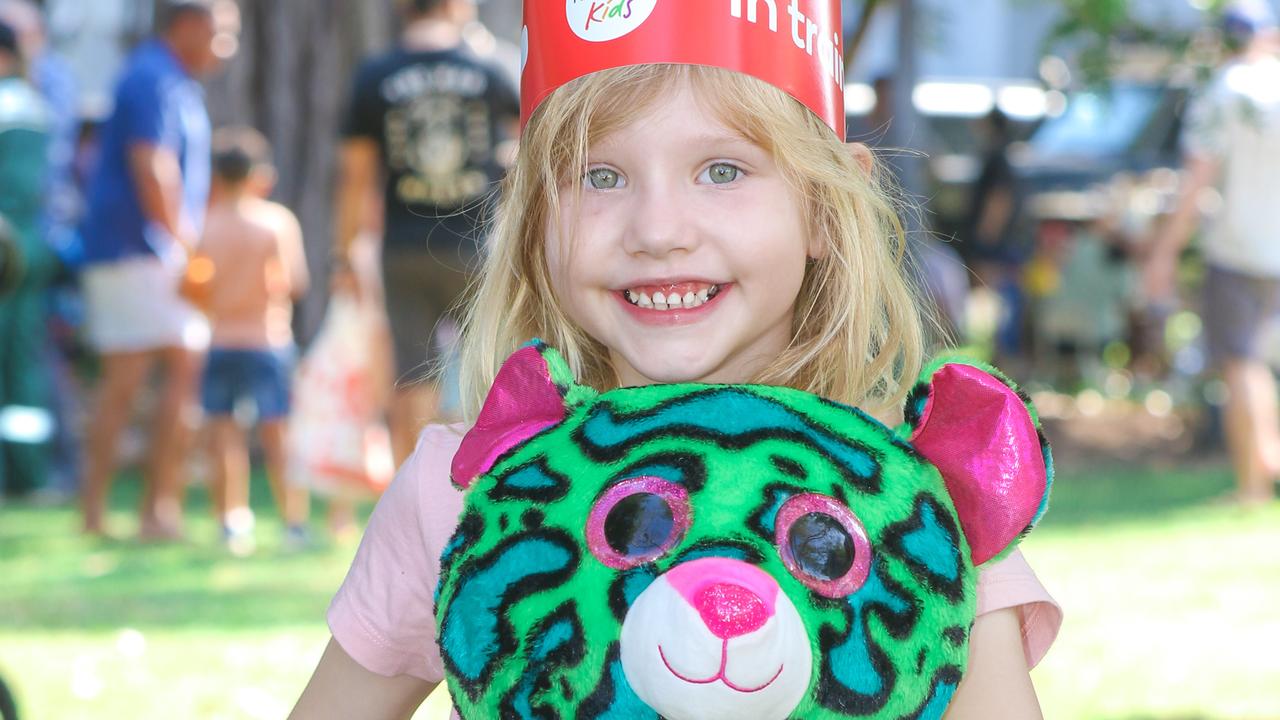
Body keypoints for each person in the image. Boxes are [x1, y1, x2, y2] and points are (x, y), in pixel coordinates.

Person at [293, 4, 1061, 717]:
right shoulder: (466, 491)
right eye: (600, 175)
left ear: (828, 208)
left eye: (722, 170)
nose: (657, 230)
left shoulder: (917, 496)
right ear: (531, 220)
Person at [334, 0, 519, 465]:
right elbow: (532, 148)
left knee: (412, 376)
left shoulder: (375, 74)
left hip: (403, 248)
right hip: (477, 247)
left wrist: (344, 254)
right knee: (490, 372)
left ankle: (413, 495)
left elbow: (355, 176)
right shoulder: (490, 64)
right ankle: (486, 493)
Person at [78, 0, 236, 538]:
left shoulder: (173, 80)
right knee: (130, 379)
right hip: (136, 250)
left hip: (151, 251)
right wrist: (183, 247)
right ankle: (108, 513)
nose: (227, 46)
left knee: (171, 373)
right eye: (221, 33)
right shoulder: (152, 77)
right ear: (187, 25)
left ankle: (152, 511)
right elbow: (153, 166)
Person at [1143, 0, 1280, 507]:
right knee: (1257, 364)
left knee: (1240, 361)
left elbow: (1197, 182)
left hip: (1240, 247)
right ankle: (1265, 463)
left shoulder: (1224, 91)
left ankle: (1253, 485)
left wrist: (1164, 254)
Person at [198, 127, 311, 554]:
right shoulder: (275, 222)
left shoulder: (207, 224)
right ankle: (293, 522)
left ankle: (231, 520)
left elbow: (194, 285)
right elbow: (294, 282)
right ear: (257, 174)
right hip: (267, 338)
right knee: (278, 432)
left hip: (221, 338)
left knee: (223, 434)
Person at [0, 18, 53, 498]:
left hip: (7, 247)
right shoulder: (33, 104)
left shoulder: (8, 104)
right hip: (30, 241)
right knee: (20, 366)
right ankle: (27, 476)